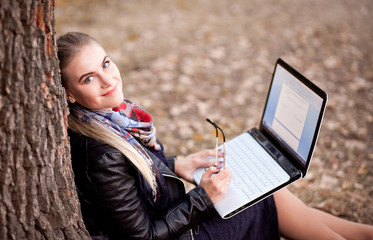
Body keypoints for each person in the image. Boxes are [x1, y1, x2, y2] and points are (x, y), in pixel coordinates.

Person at [57, 32, 373, 240]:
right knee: (261, 199)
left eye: (106, 64)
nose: (107, 79)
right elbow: (144, 238)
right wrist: (205, 198)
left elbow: (133, 175)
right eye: (88, 78)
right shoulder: (100, 152)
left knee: (263, 188)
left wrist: (174, 162)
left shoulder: (113, 119)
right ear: (69, 93)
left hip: (171, 217)